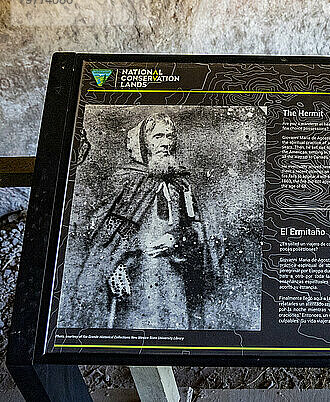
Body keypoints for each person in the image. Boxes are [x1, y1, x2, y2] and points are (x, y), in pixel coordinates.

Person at [67, 113, 221, 329]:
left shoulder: (180, 184)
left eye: (169, 136)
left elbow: (197, 232)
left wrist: (175, 240)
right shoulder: (126, 181)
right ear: (143, 143)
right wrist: (116, 264)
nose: (166, 143)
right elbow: (104, 236)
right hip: (135, 277)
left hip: (172, 277)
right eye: (158, 136)